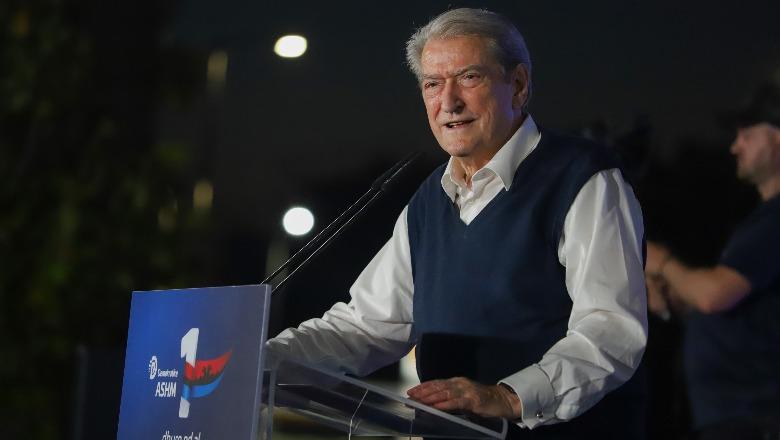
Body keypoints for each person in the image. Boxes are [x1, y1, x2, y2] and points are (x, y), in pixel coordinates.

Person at [268, 8, 648, 438]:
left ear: (518, 85)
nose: (448, 102)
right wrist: (260, 362)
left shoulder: (583, 178)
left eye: (469, 78)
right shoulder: (427, 202)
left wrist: (509, 397)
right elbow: (364, 326)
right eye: (433, 84)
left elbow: (611, 329)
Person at [645, 83, 780, 439]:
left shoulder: (775, 220)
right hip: (736, 420)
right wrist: (673, 296)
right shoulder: (760, 220)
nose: (735, 146)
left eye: (747, 134)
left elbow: (715, 295)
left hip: (756, 421)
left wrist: (661, 261)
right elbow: (732, 308)